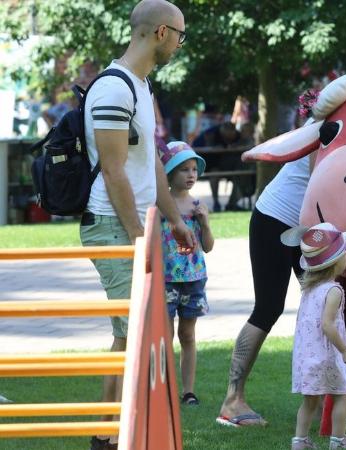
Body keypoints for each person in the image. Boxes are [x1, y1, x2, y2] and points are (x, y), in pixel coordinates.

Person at [218, 58, 346, 428]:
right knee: (269, 306)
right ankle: (232, 400)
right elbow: (322, 177)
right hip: (277, 220)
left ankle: (327, 406)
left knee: (326, 310)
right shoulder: (333, 120)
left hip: (312, 229)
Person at [80, 1, 194, 449]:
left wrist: (175, 221)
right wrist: (137, 234)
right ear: (162, 33)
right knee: (130, 333)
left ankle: (112, 431)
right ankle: (106, 435)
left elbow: (148, 171)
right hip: (112, 223)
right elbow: (113, 171)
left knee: (132, 333)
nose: (180, 47)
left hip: (137, 222)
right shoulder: (113, 89)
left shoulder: (142, 88)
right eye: (180, 37)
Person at [283, 223, 346, 450]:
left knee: (309, 401)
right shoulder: (333, 290)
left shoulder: (308, 289)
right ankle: (339, 440)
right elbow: (327, 325)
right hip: (328, 354)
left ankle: (299, 441)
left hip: (307, 355)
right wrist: (344, 350)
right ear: (336, 262)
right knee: (341, 394)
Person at [159, 141, 214, 407]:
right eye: (184, 170)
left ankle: (188, 391)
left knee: (188, 335)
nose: (191, 175)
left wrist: (204, 222)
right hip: (166, 280)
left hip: (194, 280)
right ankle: (165, 388)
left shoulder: (197, 206)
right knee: (165, 335)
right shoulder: (160, 206)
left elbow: (208, 247)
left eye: (194, 169)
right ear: (168, 173)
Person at [192, 121, 244, 212]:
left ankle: (232, 204)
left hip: (230, 163)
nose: (228, 140)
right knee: (214, 174)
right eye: (226, 137)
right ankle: (216, 202)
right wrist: (213, 147)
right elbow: (199, 150)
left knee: (241, 173)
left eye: (230, 137)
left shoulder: (238, 135)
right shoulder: (210, 134)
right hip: (211, 163)